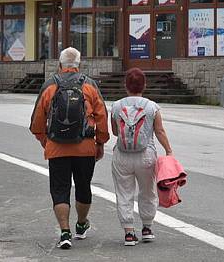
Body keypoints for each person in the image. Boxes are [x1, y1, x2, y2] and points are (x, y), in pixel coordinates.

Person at [29, 47, 109, 250]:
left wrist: (45, 141)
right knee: (83, 187)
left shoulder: (50, 86)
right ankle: (81, 225)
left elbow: (37, 121)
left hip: (57, 148)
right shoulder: (90, 86)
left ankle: (64, 232)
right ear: (79, 65)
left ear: (59, 64)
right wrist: (100, 142)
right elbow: (102, 116)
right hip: (85, 147)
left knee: (60, 190)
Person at [110, 68, 173, 246]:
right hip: (146, 155)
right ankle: (147, 228)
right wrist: (168, 150)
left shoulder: (116, 106)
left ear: (125, 86)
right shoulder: (152, 107)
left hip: (122, 155)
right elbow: (159, 131)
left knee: (124, 193)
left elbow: (115, 131)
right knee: (148, 191)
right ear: (144, 85)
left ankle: (129, 232)